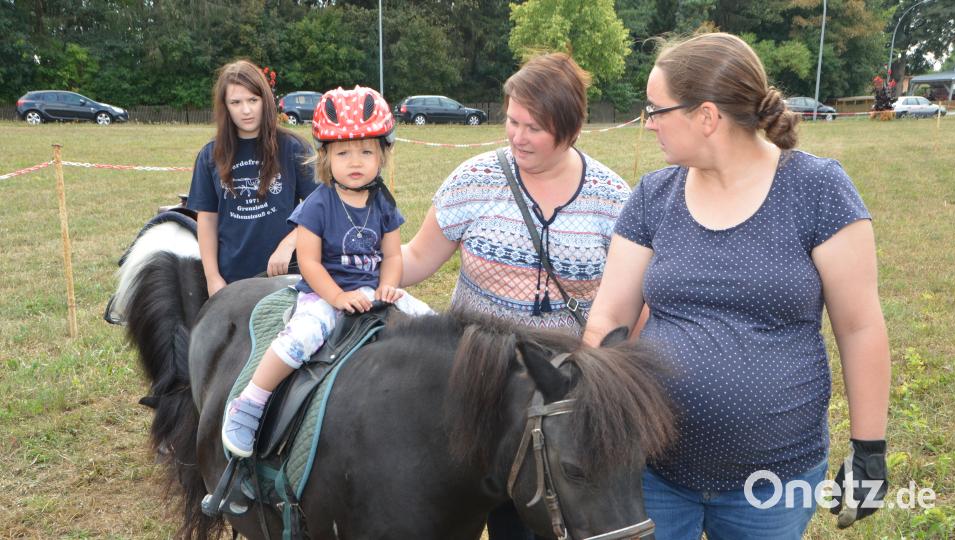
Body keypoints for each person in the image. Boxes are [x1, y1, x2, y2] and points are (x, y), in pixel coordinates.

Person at [583, 33, 891, 538]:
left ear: (706, 117)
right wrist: (595, 418)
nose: (649, 122)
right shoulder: (653, 196)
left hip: (773, 482)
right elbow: (609, 318)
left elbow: (859, 327)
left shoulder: (817, 189)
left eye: (657, 109)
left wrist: (869, 450)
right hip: (654, 470)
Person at [401, 53, 630, 539]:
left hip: (558, 399)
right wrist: (332, 257)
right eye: (512, 121)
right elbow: (417, 259)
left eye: (534, 127)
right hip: (475, 389)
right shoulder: (474, 180)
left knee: (543, 520)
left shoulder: (612, 197)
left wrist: (596, 379)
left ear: (570, 130)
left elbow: (635, 302)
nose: (517, 136)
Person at [221, 86, 433, 458]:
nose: (356, 160)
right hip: (323, 294)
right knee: (299, 338)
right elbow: (310, 263)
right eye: (344, 152)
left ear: (382, 155)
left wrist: (388, 286)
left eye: (367, 150)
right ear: (326, 156)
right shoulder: (318, 204)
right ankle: (251, 402)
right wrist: (337, 298)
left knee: (432, 324)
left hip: (370, 290)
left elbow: (392, 255)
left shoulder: (383, 201)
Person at [188, 59, 316, 297]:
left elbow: (319, 209)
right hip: (232, 280)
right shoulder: (210, 155)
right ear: (225, 107)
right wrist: (213, 277)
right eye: (236, 102)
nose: (246, 110)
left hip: (286, 275)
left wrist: (288, 244)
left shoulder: (294, 148)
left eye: (253, 100)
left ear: (265, 101)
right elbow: (206, 221)